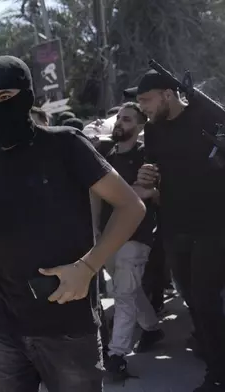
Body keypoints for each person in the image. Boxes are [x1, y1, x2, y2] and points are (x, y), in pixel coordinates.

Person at [0, 56, 145, 392]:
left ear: (26, 96)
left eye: (5, 97)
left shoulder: (65, 144)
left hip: (67, 325)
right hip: (6, 328)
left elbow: (130, 206)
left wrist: (88, 267)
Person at [134, 69, 225, 392]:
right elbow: (154, 177)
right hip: (174, 227)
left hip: (213, 225)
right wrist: (146, 180)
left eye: (146, 99)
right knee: (194, 303)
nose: (141, 106)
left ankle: (217, 374)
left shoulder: (206, 115)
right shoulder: (153, 131)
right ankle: (214, 361)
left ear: (167, 95)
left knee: (206, 299)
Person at [100, 102, 164, 380]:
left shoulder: (147, 155)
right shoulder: (104, 156)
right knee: (130, 289)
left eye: (126, 119)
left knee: (123, 293)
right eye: (118, 119)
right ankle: (151, 328)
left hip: (136, 236)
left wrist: (140, 192)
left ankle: (116, 357)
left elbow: (151, 193)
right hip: (107, 236)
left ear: (139, 126)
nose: (119, 123)